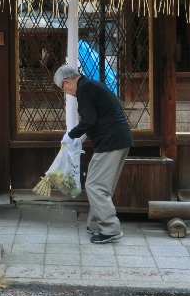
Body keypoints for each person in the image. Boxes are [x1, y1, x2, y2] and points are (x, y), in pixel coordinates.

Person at [54, 65, 134, 244]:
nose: (68, 93)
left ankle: (111, 229)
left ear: (67, 81)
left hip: (110, 141)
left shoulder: (85, 88)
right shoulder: (92, 85)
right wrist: (81, 136)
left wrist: (72, 134)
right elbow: (95, 118)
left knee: (94, 186)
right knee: (102, 187)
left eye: (64, 89)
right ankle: (96, 225)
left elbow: (90, 119)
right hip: (119, 139)